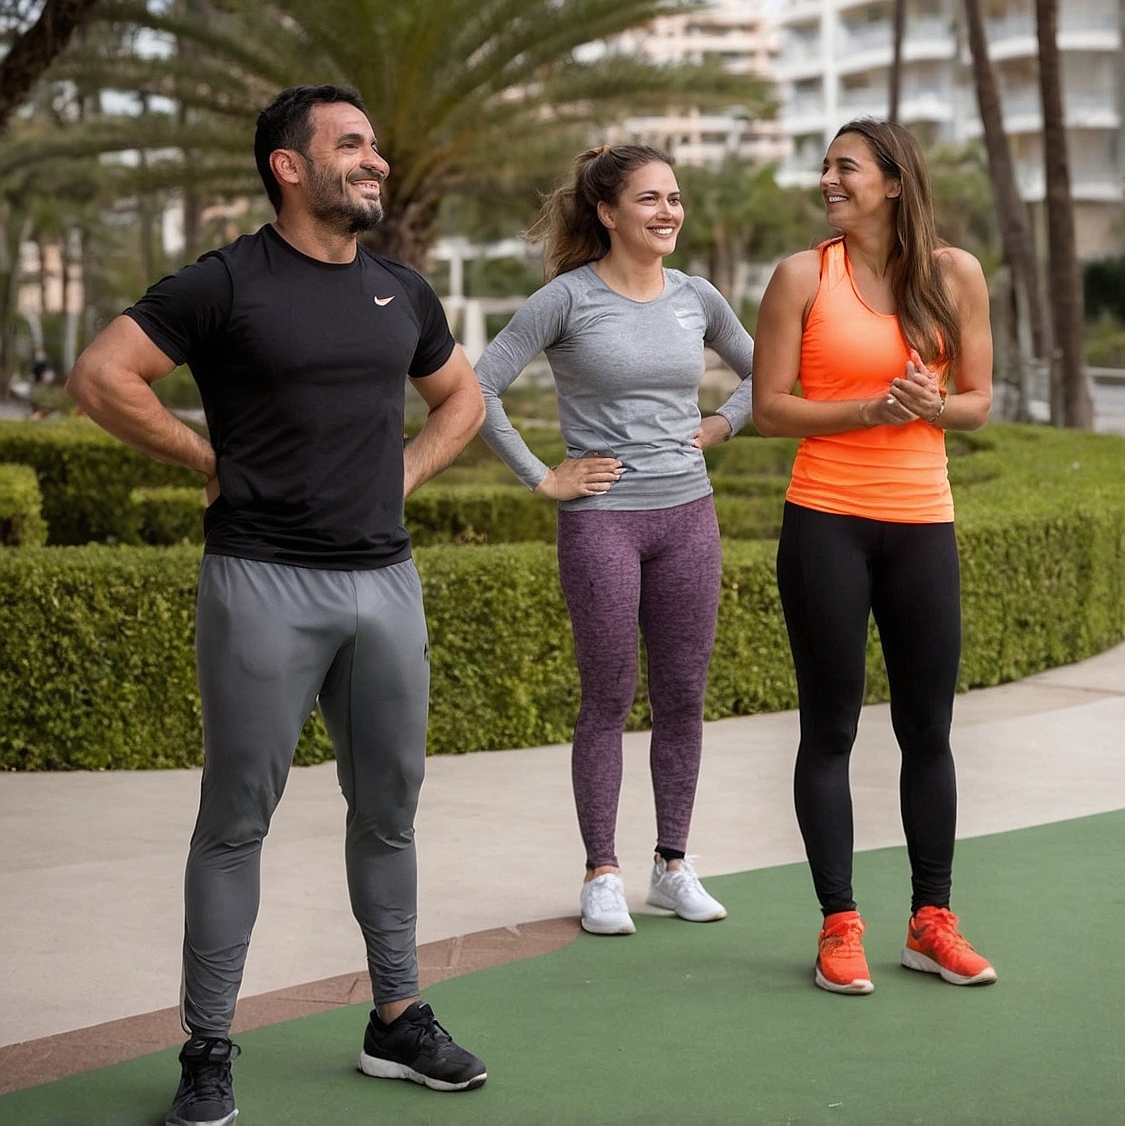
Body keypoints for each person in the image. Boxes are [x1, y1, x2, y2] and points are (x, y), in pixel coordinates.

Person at [66, 85, 489, 1125]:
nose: (375, 159)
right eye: (351, 144)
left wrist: (401, 475)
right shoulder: (226, 281)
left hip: (384, 581)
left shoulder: (400, 289)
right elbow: (104, 375)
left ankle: (397, 1017)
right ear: (288, 167)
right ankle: (208, 1047)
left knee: (388, 811)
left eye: (374, 144)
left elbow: (463, 398)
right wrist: (204, 457)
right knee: (234, 820)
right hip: (261, 581)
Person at [475, 144, 752, 938]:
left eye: (675, 197)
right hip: (603, 522)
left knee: (684, 695)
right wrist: (542, 477)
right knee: (608, 696)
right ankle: (602, 871)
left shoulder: (696, 296)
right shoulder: (566, 299)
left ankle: (673, 864)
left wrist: (721, 423)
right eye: (649, 199)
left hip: (688, 518)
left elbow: (767, 372)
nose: (668, 211)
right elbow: (478, 385)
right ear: (607, 212)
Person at [751, 118, 996, 996]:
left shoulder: (955, 275)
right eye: (825, 167)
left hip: (922, 522)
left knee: (928, 728)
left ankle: (932, 922)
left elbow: (978, 403)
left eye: (845, 167)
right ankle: (839, 924)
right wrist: (867, 412)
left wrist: (931, 405)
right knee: (832, 728)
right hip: (826, 520)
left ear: (894, 182)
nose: (828, 180)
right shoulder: (800, 277)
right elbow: (769, 408)